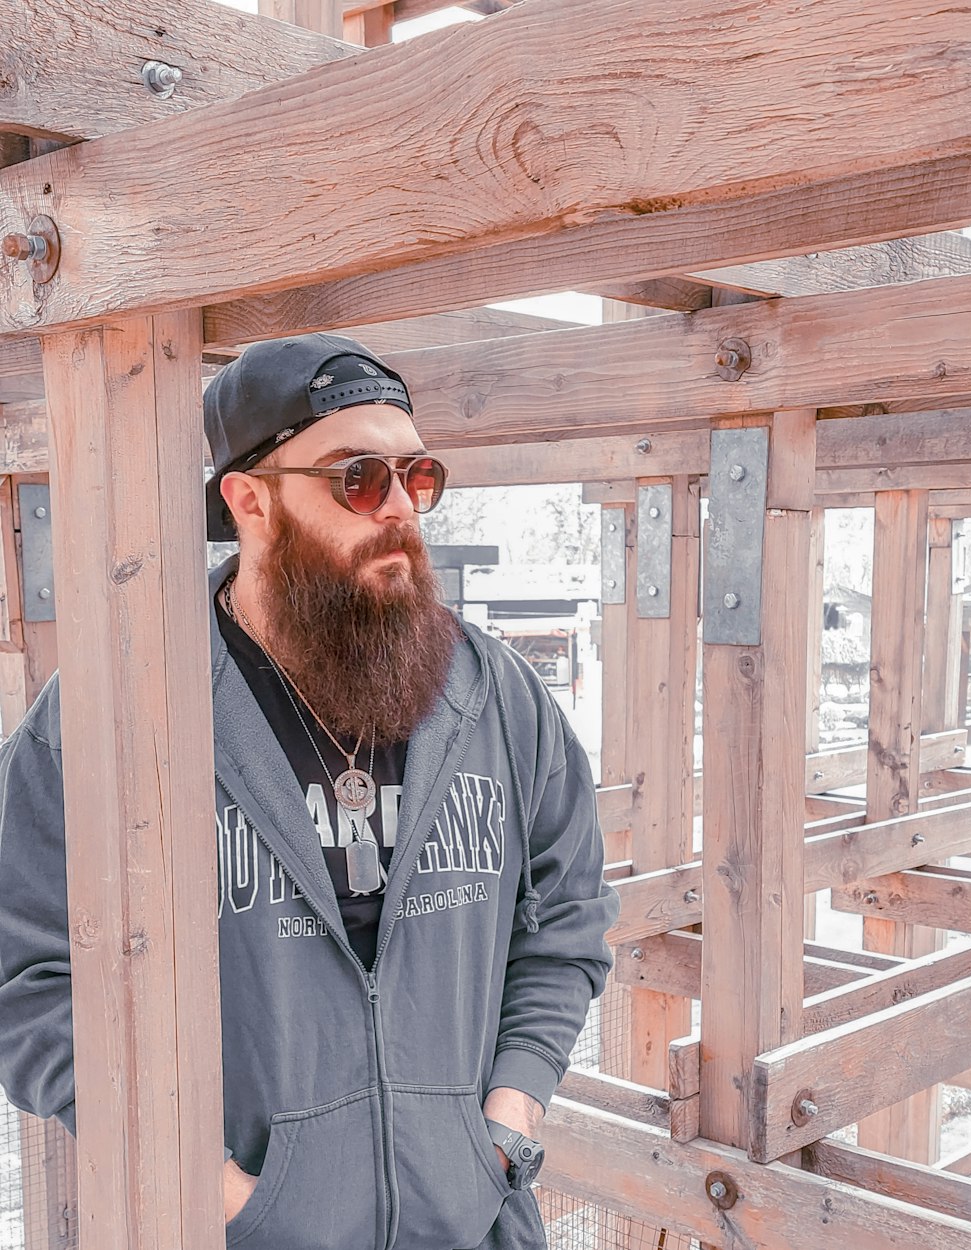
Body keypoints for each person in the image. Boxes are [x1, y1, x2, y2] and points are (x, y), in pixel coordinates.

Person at [0, 332, 619, 1250]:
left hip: (476, 1222)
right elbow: (28, 977)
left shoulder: (499, 697)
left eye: (418, 476)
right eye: (357, 478)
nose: (401, 507)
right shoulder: (116, 713)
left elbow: (566, 919)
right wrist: (216, 1191)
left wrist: (508, 1119)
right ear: (248, 499)